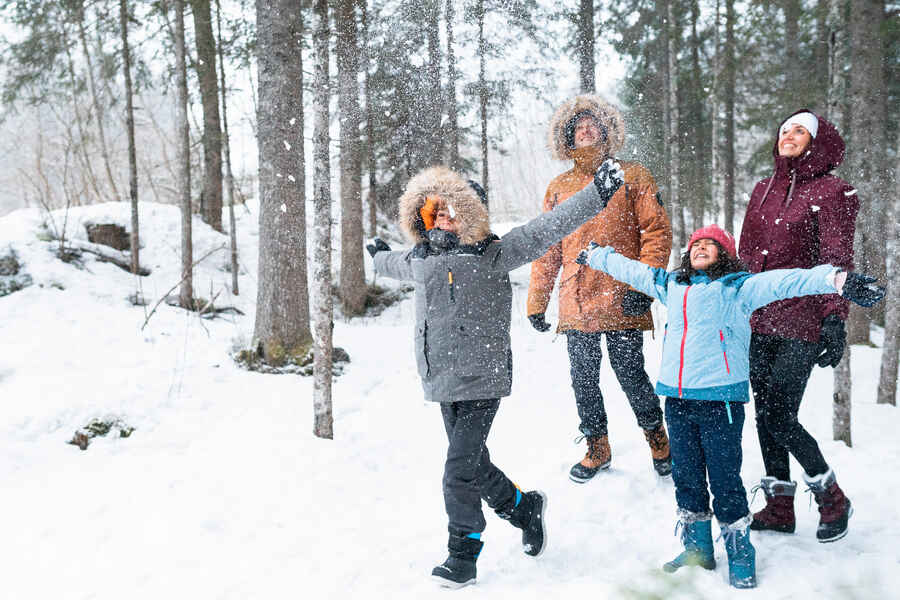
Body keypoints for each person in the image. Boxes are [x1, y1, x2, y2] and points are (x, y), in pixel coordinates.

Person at [576, 224, 884, 589]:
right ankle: (697, 549)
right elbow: (634, 270)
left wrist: (835, 279)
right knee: (686, 478)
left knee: (725, 480)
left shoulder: (739, 288)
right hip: (677, 400)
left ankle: (740, 551)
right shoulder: (672, 285)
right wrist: (597, 254)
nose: (701, 247)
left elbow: (787, 281)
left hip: (720, 402)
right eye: (696, 244)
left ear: (725, 254)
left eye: (711, 244)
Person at [367, 161, 626, 588]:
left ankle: (463, 553)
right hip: (440, 377)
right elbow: (395, 264)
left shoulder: (494, 254)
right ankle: (523, 509)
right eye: (437, 210)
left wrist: (597, 193)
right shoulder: (421, 257)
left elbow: (549, 227)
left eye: (454, 211)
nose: (445, 218)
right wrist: (377, 257)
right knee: (473, 463)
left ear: (472, 215)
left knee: (457, 470)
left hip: (481, 377)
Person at [527, 95, 673, 482]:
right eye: (578, 126)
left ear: (606, 131)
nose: (586, 129)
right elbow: (547, 245)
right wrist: (536, 302)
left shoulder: (633, 175)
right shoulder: (559, 187)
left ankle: (658, 438)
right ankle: (597, 446)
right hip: (577, 302)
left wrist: (646, 281)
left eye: (592, 124)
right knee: (583, 378)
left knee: (631, 374)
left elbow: (656, 232)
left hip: (624, 294)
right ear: (568, 138)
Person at [739, 110, 860, 543]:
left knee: (779, 415)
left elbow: (837, 258)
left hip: (802, 321)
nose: (789, 136)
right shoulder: (762, 190)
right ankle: (778, 506)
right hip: (757, 318)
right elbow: (746, 256)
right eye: (785, 129)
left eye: (800, 131)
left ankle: (831, 497)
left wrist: (834, 316)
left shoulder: (833, 191)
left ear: (816, 142)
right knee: (763, 415)